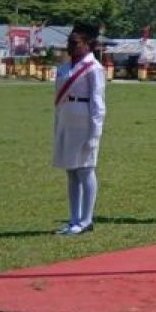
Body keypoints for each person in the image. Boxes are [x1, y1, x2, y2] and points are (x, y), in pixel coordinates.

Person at [52, 23, 106, 235]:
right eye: (69, 42)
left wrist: (95, 133)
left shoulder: (94, 68)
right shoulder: (65, 68)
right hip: (67, 122)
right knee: (71, 173)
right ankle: (74, 218)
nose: (70, 46)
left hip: (84, 123)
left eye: (75, 43)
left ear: (88, 45)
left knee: (85, 170)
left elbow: (98, 104)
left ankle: (86, 220)